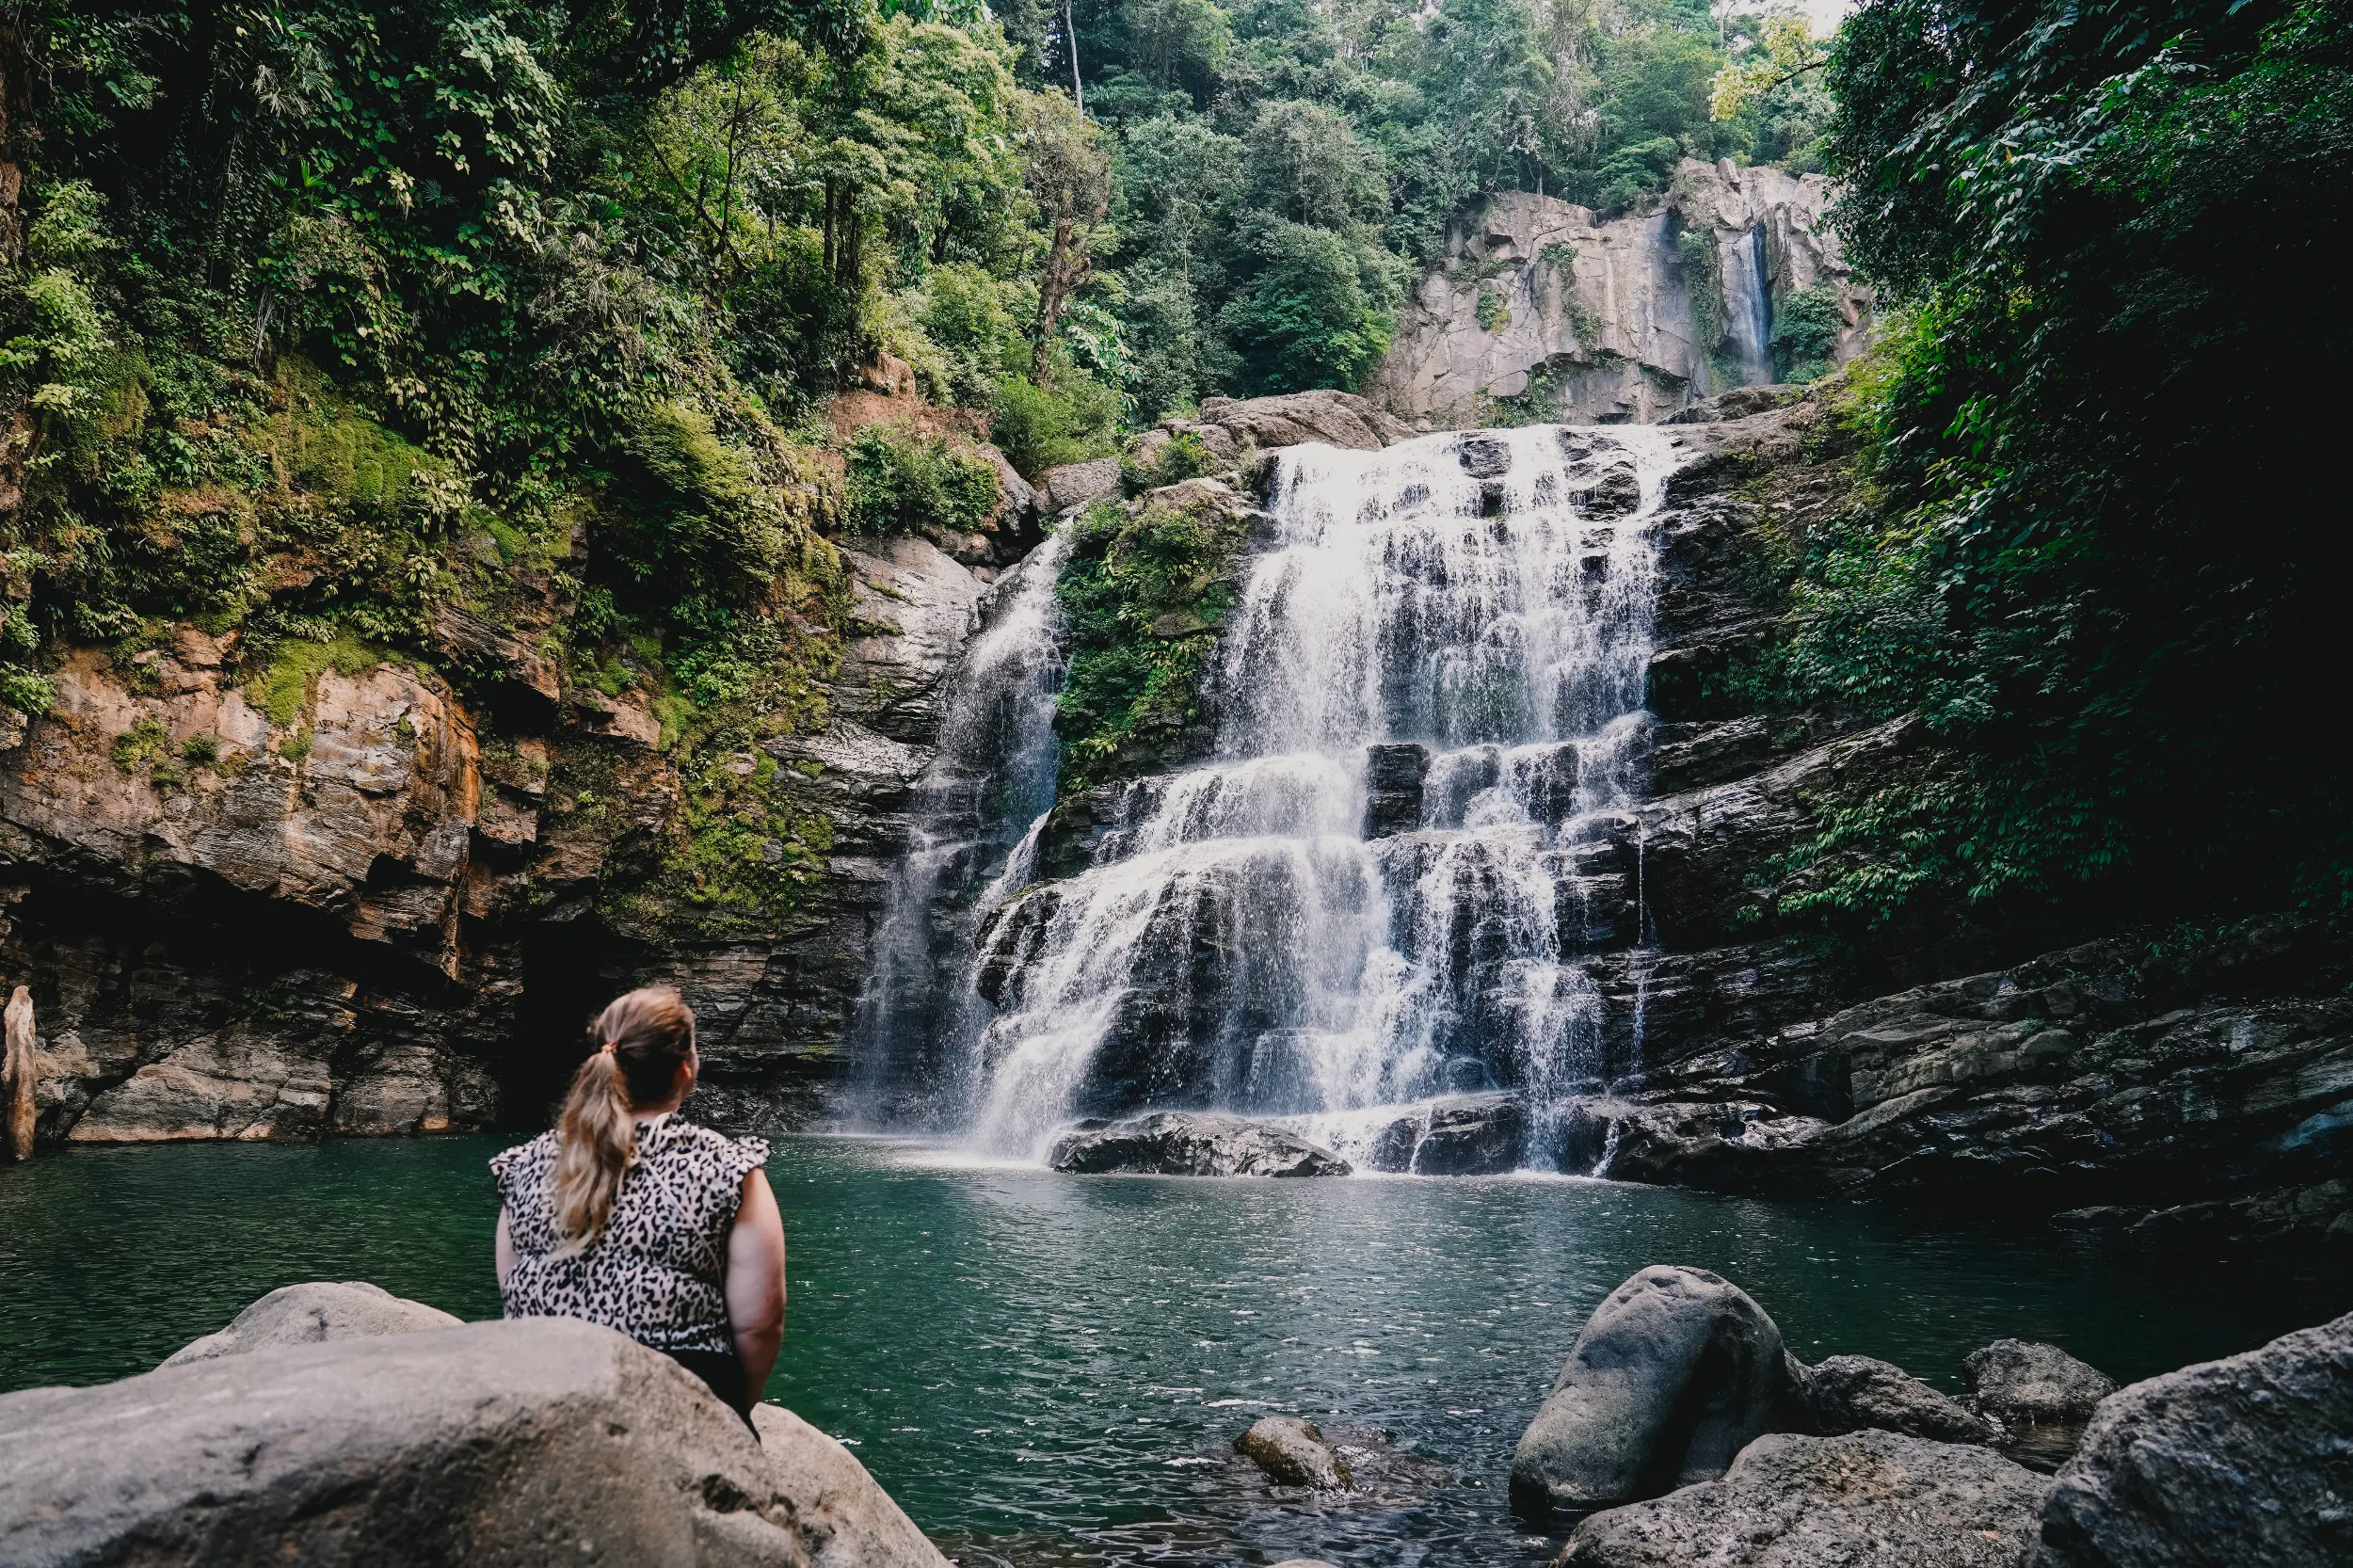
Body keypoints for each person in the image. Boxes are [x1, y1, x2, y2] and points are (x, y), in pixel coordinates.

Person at [489, 986, 785, 1429]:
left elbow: (514, 1293)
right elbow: (759, 1323)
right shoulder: (726, 1165)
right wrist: (729, 1420)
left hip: (542, 1403)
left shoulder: (524, 1165)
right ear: (686, 1070)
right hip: (676, 1409)